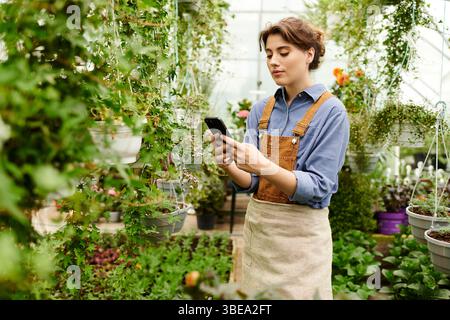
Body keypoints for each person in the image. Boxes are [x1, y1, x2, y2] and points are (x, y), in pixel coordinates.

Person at [208, 17, 350, 299]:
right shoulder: (262, 109)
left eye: (284, 53)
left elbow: (319, 186)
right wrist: (229, 165)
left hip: (302, 240)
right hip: (261, 236)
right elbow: (253, 183)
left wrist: (262, 163)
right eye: (270, 54)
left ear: (309, 54)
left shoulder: (332, 112)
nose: (274, 61)